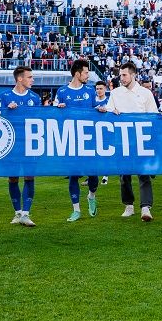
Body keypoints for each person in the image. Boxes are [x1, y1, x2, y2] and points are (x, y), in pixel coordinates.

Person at [105, 61, 158, 221]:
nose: (121, 78)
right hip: (121, 140)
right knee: (124, 176)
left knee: (144, 174)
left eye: (124, 75)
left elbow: (153, 116)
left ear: (133, 75)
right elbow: (109, 111)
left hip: (141, 140)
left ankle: (145, 208)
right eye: (120, 75)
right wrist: (109, 112)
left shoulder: (145, 93)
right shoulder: (115, 93)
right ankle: (129, 205)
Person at [56, 60, 100, 222]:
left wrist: (101, 110)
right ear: (77, 73)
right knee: (73, 175)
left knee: (93, 174)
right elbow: (54, 116)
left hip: (89, 139)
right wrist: (58, 110)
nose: (88, 75)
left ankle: (91, 196)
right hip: (71, 140)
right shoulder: (62, 91)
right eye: (86, 72)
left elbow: (97, 110)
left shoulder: (90, 91)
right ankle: (76, 210)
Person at [0, 66, 40, 227]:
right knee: (13, 177)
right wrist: (7, 111)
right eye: (30, 77)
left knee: (29, 176)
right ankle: (17, 212)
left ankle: (26, 213)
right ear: (20, 79)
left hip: (29, 143)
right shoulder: (5, 97)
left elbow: (40, 119)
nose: (32, 80)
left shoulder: (35, 98)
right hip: (12, 145)